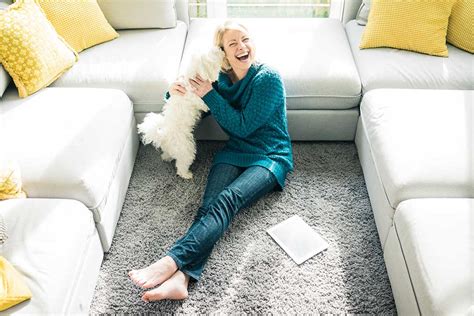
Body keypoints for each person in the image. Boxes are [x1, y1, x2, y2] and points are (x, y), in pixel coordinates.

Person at [128, 20, 293, 302]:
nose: (242, 47)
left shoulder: (268, 78)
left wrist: (209, 94)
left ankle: (171, 261)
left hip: (270, 155)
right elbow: (197, 107)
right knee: (208, 208)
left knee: (228, 200)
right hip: (235, 150)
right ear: (224, 54)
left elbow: (242, 125)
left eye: (246, 39)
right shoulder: (220, 81)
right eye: (233, 44)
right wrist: (175, 92)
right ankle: (182, 278)